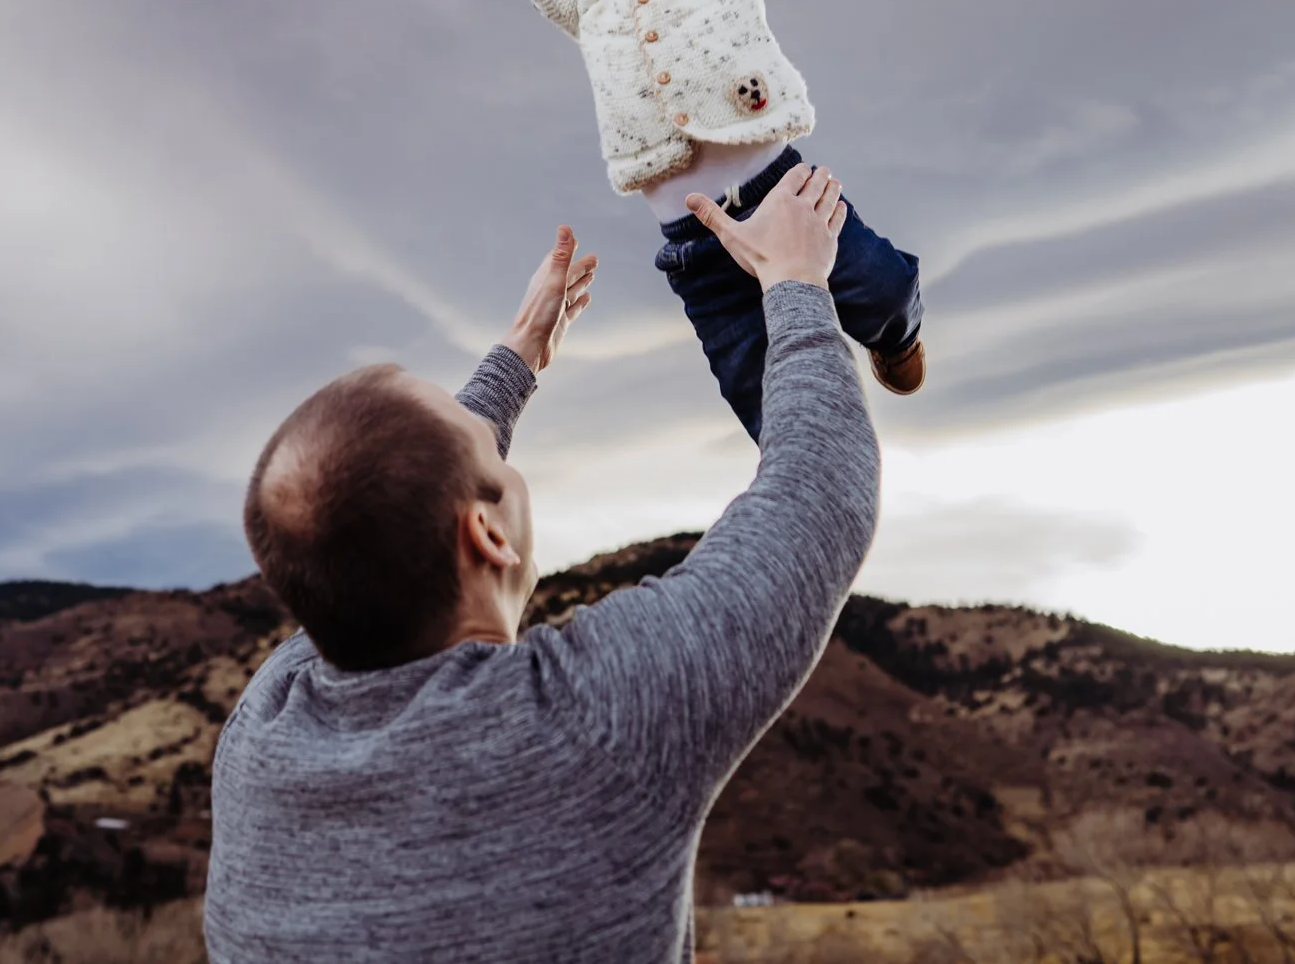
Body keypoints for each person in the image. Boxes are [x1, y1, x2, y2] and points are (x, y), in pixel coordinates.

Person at [205, 167, 880, 962]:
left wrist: (516, 358)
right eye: (487, 451)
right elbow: (819, 494)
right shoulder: (590, 718)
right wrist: (797, 280)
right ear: (488, 536)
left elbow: (358, 519)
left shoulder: (259, 739)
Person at [514, 0, 925, 439]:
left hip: (784, 195)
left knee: (879, 285)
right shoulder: (595, 1)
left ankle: (897, 335)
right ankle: (806, 460)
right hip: (695, 249)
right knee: (757, 388)